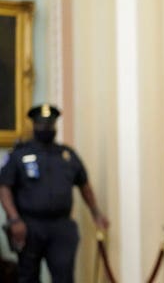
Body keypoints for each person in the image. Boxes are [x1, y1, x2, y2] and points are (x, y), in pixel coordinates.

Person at [0, 104, 109, 283]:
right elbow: (4, 187)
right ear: (34, 125)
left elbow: (84, 185)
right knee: (28, 277)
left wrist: (96, 213)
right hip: (29, 227)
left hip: (61, 227)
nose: (46, 128)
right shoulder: (19, 155)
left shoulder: (67, 155)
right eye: (42, 124)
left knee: (64, 277)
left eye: (50, 124)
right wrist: (14, 219)